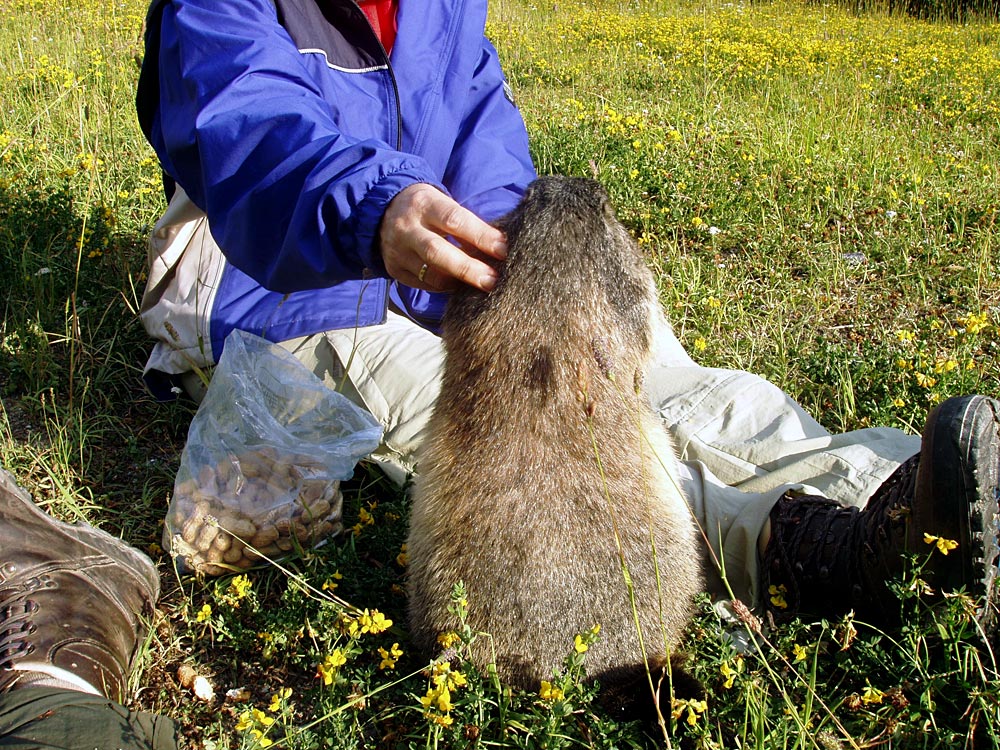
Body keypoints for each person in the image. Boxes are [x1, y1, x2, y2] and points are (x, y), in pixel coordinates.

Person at [130, 0, 1000, 625]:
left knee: (662, 378)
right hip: (289, 279)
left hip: (454, 263)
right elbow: (247, 128)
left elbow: (485, 139)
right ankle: (824, 549)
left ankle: (905, 484)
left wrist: (529, 263)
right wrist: (372, 209)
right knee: (533, 443)